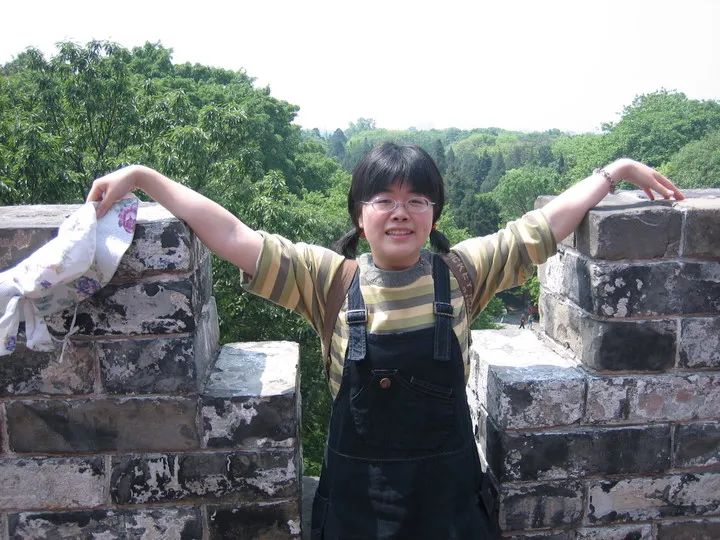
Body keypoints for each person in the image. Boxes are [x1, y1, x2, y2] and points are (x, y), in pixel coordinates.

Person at [88, 144, 684, 539]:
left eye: (416, 201)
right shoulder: (328, 280)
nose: (401, 213)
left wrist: (615, 172)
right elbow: (233, 236)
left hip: (447, 503)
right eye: (385, 201)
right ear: (360, 214)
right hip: (359, 508)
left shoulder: (462, 274)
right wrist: (145, 178)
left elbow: (541, 228)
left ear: (433, 214)